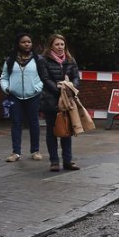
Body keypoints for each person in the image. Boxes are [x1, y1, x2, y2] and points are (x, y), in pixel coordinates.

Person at [38, 34, 81, 172]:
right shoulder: (43, 60)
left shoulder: (70, 60)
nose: (60, 47)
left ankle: (68, 161)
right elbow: (45, 79)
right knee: (52, 132)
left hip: (67, 100)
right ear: (51, 46)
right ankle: (54, 161)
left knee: (67, 131)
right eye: (57, 44)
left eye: (62, 44)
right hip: (51, 101)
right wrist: (59, 89)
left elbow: (76, 78)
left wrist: (70, 89)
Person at [0, 33, 44, 163]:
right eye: (23, 42)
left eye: (29, 42)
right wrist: (7, 88)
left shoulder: (38, 59)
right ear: (18, 44)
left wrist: (37, 88)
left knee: (34, 123)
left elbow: (43, 77)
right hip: (15, 97)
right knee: (16, 123)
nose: (26, 44)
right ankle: (16, 152)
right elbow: (4, 77)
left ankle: (35, 151)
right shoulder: (10, 60)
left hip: (33, 96)